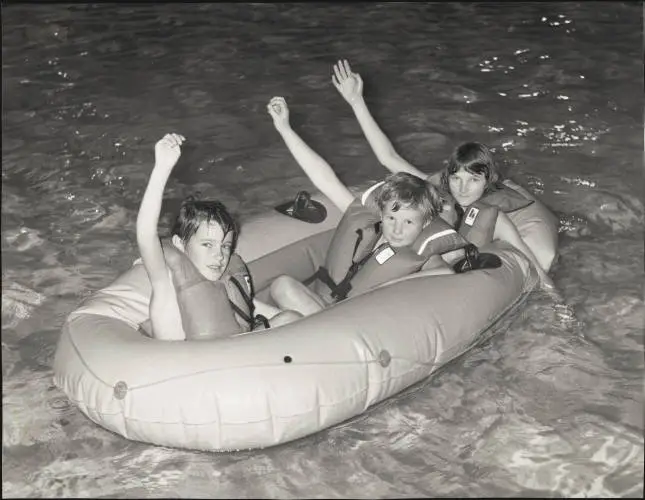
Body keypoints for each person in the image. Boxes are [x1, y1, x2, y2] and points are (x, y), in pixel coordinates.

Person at [329, 59, 556, 291]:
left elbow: (532, 263)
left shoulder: (494, 219)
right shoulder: (435, 194)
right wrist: (356, 101)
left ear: (487, 183)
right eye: (457, 178)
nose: (462, 188)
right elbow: (389, 157)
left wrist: (557, 303)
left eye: (473, 180)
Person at [72, 133, 300, 341]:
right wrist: (162, 168)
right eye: (207, 244)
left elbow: (258, 313)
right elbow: (145, 234)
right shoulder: (165, 282)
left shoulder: (223, 283)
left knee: (289, 318)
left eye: (225, 246)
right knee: (288, 320)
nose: (218, 255)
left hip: (232, 358)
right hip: (190, 373)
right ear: (181, 245)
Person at [266, 97, 469, 317]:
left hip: (352, 324)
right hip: (325, 309)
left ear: (425, 222)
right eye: (392, 218)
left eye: (408, 222)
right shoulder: (369, 225)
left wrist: (386, 287)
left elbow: (444, 273)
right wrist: (284, 128)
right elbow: (326, 180)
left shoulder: (421, 251)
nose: (397, 230)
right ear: (382, 213)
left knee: (287, 309)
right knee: (282, 285)